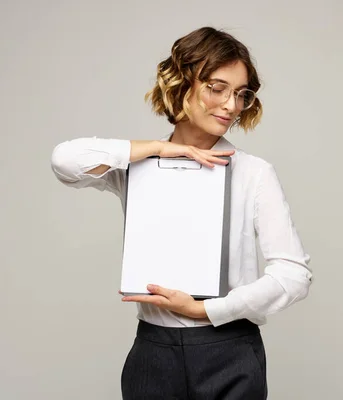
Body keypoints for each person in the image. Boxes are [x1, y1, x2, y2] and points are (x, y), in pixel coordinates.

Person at [50, 26, 312, 400]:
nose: (231, 105)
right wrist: (158, 148)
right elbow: (65, 162)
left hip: (230, 351)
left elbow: (294, 274)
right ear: (181, 83)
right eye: (217, 88)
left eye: (241, 94)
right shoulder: (137, 168)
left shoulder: (253, 172)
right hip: (153, 353)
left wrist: (210, 310)